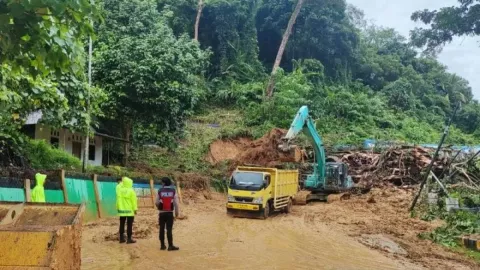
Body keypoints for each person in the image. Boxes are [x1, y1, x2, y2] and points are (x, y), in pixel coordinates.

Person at [155, 177, 180, 251]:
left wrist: (159, 207)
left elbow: (156, 202)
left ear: (164, 183)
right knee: (169, 229)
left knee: (161, 229)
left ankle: (162, 246)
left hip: (161, 213)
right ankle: (170, 246)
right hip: (169, 213)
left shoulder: (159, 191)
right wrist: (176, 214)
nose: (161, 183)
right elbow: (176, 204)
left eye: (161, 182)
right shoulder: (173, 191)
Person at [116, 176, 137, 244]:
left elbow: (119, 185)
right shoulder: (131, 191)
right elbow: (134, 201)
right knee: (129, 224)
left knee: (122, 223)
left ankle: (121, 238)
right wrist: (135, 209)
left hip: (122, 210)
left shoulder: (119, 190)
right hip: (129, 210)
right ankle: (129, 239)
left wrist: (122, 181)